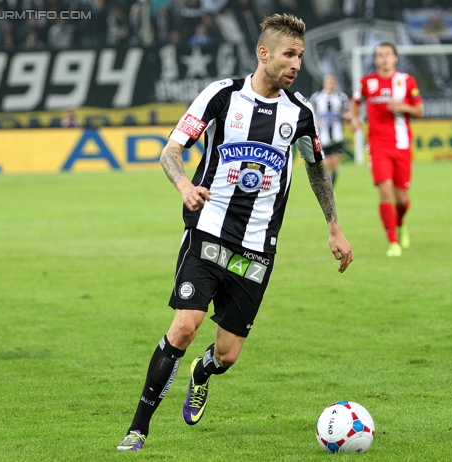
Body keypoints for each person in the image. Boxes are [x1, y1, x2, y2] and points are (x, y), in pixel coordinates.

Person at [117, 13, 353, 452]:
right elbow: (172, 151)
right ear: (263, 53)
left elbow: (318, 169)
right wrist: (185, 185)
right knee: (184, 327)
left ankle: (202, 373)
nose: (296, 63)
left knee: (226, 355)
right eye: (288, 54)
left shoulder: (299, 113)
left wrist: (334, 228)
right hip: (207, 233)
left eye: (300, 56)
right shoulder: (222, 96)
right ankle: (138, 428)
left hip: (258, 249)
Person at [351, 42, 423, 257]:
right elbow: (356, 102)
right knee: (385, 191)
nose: (384, 58)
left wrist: (404, 107)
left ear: (395, 58)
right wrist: (355, 119)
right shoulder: (367, 82)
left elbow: (419, 110)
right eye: (380, 55)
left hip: (402, 145)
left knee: (402, 198)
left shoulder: (406, 81)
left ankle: (400, 223)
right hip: (378, 145)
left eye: (388, 54)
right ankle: (392, 241)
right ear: (375, 60)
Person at [310, 73, 350, 186]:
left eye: (332, 82)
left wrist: (345, 116)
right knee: (326, 162)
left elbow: (348, 113)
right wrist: (316, 122)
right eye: (328, 82)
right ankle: (329, 181)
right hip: (322, 136)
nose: (330, 84)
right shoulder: (316, 98)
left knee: (335, 161)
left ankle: (330, 185)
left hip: (337, 134)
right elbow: (311, 114)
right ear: (324, 83)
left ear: (336, 84)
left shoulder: (341, 97)